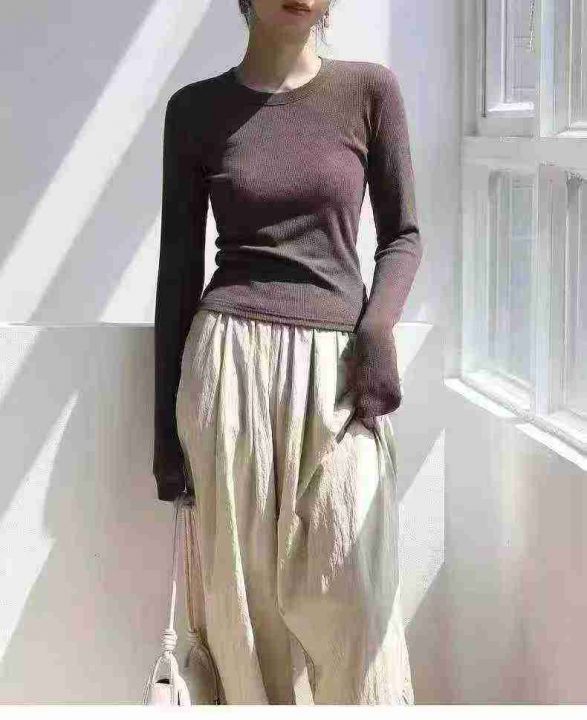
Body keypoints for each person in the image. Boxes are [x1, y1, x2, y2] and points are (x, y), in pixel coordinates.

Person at [152, 0, 423, 705]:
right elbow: (178, 272)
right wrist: (166, 439)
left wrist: (375, 329)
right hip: (229, 369)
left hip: (335, 373)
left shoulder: (369, 90)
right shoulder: (195, 110)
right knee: (247, 623)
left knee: (356, 599)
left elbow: (402, 236)